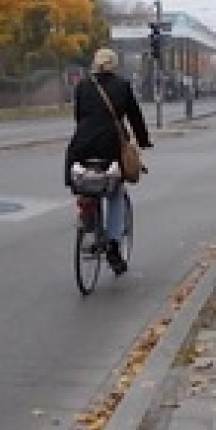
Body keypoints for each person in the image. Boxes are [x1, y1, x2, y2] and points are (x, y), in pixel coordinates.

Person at [65, 48, 153, 275]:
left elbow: (79, 116)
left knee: (86, 182)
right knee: (115, 193)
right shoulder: (122, 86)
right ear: (114, 65)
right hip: (110, 146)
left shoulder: (83, 86)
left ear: (95, 64)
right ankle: (113, 245)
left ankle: (88, 217)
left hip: (82, 145)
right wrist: (143, 140)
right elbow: (135, 116)